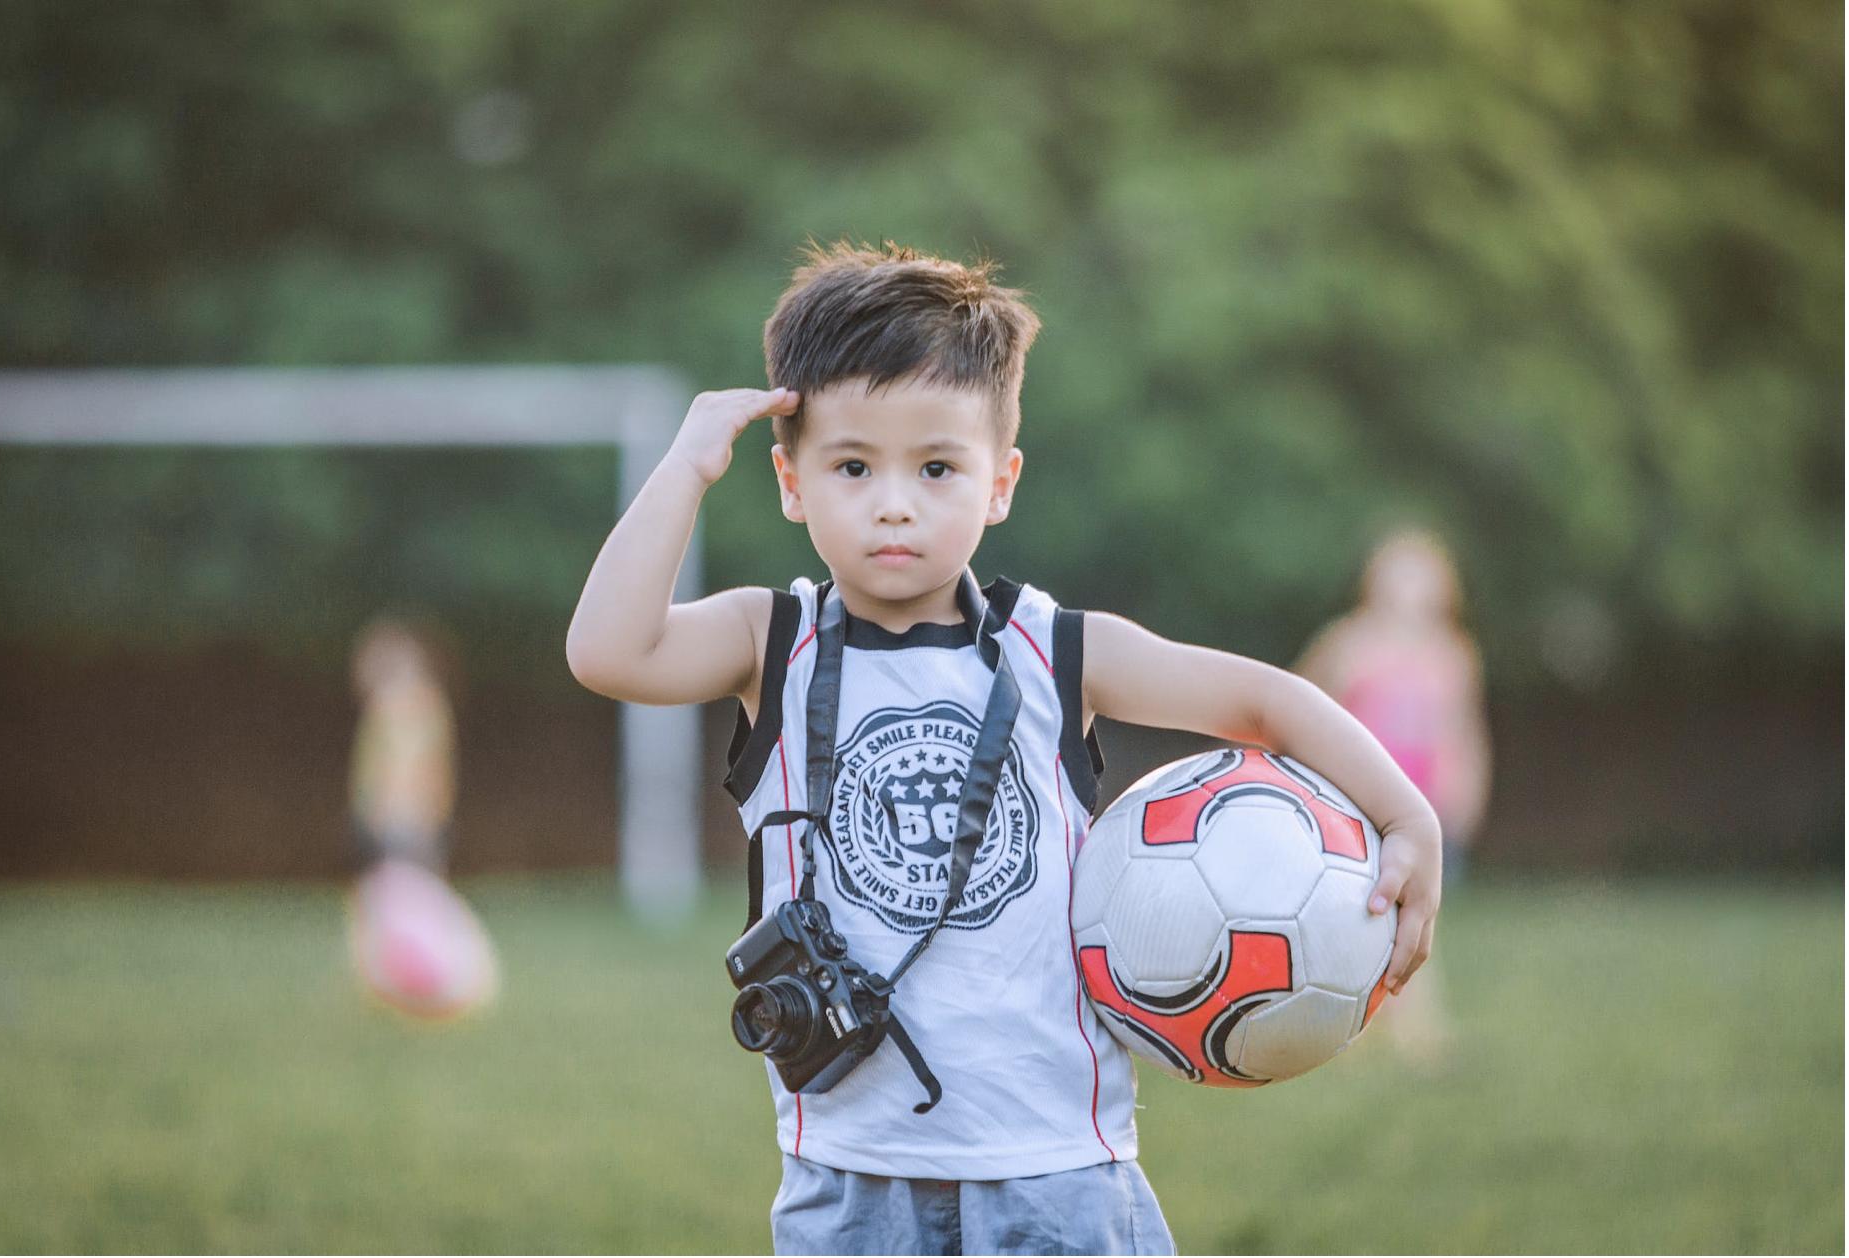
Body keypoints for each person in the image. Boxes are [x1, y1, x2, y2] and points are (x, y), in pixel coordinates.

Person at [566, 240, 1442, 1255]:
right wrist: (686, 467)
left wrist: (1402, 813)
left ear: (1001, 483)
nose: (895, 501)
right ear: (790, 481)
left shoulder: (1056, 649)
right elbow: (606, 650)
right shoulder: (773, 642)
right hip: (850, 1173)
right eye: (853, 465)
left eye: (937, 467)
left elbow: (1263, 696)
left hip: (1056, 1171)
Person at [1295, 528, 1490, 1065]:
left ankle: (1410, 1025)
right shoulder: (1350, 644)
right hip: (1354, 801)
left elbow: (1463, 731)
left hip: (1421, 809)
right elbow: (1300, 702)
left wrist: (1466, 787)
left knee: (1418, 921)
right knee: (1354, 913)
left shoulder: (1452, 655)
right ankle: (1349, 1026)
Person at [346, 618, 498, 1020]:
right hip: (405, 818)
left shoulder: (408, 706)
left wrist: (396, 811)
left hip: (404, 818)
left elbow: (414, 769)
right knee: (396, 895)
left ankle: (411, 978)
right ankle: (399, 978)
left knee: (401, 896)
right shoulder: (412, 706)